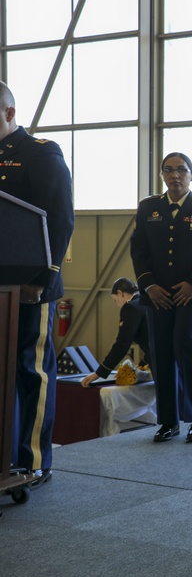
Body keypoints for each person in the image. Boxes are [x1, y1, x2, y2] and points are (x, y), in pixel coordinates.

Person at [0, 81, 75, 489]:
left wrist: (42, 279)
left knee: (31, 373)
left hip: (28, 288)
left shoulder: (40, 153)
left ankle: (33, 461)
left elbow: (60, 219)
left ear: (10, 113)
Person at [131, 152, 192, 443]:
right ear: (162, 175)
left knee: (186, 344)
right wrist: (148, 286)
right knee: (161, 353)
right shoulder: (148, 207)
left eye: (182, 170)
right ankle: (168, 421)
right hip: (157, 294)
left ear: (191, 175)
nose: (175, 175)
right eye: (168, 170)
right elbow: (139, 250)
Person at [81, 277, 150, 388]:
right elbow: (153, 341)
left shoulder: (131, 307)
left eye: (115, 300)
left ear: (120, 293)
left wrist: (99, 373)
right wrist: (142, 365)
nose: (118, 305)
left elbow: (122, 345)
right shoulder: (145, 301)